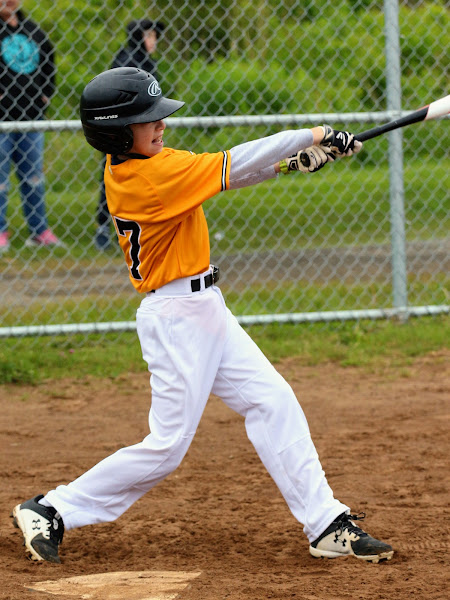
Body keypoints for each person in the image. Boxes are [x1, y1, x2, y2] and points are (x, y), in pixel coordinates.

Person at [11, 67, 394, 565]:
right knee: (167, 446)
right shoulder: (144, 177)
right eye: (146, 119)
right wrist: (314, 135)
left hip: (205, 307)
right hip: (176, 319)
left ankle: (325, 522)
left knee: (272, 401)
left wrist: (289, 164)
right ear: (114, 132)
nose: (160, 124)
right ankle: (52, 509)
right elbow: (234, 162)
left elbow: (228, 176)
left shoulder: (150, 162)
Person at [95, 18, 165, 251]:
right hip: (122, 131)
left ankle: (135, 225)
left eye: (154, 36)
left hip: (142, 132)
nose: (153, 41)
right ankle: (104, 227)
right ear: (139, 37)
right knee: (115, 177)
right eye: (149, 35)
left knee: (142, 178)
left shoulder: (146, 61)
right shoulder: (127, 60)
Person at [0, 0, 61, 252]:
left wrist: (45, 95)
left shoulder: (33, 30)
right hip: (2, 120)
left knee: (34, 176)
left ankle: (39, 230)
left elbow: (49, 65)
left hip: (32, 116)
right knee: (0, 178)